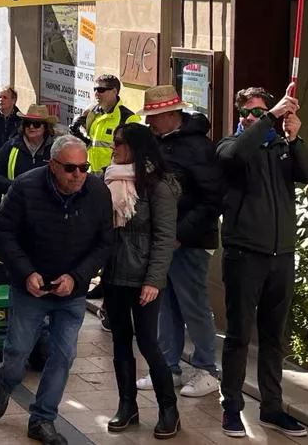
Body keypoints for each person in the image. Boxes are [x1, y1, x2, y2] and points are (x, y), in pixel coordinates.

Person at [0, 136, 114, 445]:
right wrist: (26, 272)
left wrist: (76, 276)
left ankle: (42, 419)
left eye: (84, 168)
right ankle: (6, 381)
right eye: (71, 168)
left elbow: (105, 243)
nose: (78, 175)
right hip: (30, 289)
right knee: (18, 351)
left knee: (63, 355)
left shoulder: (98, 192)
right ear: (53, 165)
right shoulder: (25, 188)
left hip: (71, 293)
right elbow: (3, 234)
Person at [216, 88, 308, 438]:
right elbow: (235, 155)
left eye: (260, 111)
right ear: (240, 115)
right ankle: (231, 407)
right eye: (248, 112)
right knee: (238, 336)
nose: (254, 117)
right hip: (244, 254)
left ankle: (272, 409)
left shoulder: (280, 148)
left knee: (275, 338)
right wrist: (268, 117)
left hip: (282, 256)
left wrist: (296, 138)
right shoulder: (231, 146)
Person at [136, 85, 224, 399]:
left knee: (193, 305)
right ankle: (168, 367)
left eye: (154, 118)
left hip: (189, 242)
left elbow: (212, 201)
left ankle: (207, 370)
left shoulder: (199, 148)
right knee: (166, 305)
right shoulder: (159, 143)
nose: (149, 124)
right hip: (164, 240)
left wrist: (179, 235)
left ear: (171, 115)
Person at [101, 124, 180, 438]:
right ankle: (127, 406)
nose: (113, 148)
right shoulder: (109, 179)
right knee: (120, 342)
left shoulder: (158, 185)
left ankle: (168, 408)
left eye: (119, 143)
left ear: (134, 146)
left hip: (144, 279)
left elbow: (164, 238)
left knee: (148, 342)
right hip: (114, 274)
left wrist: (154, 280)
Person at [68, 75, 138, 175]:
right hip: (90, 175)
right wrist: (80, 136)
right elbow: (93, 146)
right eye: (95, 89)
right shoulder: (92, 114)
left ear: (114, 91)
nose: (96, 94)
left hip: (113, 176)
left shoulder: (128, 118)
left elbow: (133, 154)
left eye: (101, 90)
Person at [0, 104, 58, 205]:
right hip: (14, 206)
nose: (31, 127)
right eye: (28, 123)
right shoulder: (11, 146)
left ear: (45, 127)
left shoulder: (55, 150)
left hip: (45, 208)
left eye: (36, 124)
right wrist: (13, 187)